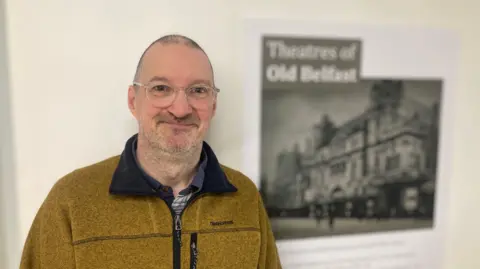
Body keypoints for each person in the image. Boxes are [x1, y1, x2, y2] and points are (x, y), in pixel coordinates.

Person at [20, 34, 282, 269]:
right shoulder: (71, 202)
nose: (180, 109)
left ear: (213, 105)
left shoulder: (245, 197)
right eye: (161, 88)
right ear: (134, 101)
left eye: (198, 90)